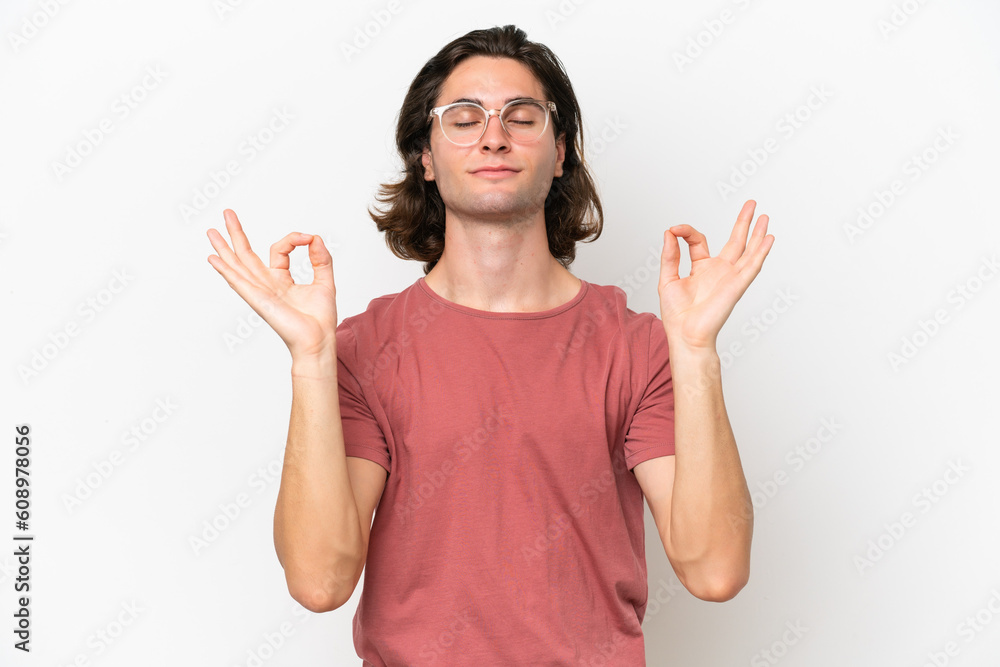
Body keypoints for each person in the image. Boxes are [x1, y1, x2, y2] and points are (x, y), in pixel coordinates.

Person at [206, 23, 774, 666]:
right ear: (425, 155)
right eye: (464, 117)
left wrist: (695, 351)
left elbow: (715, 570)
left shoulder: (637, 347)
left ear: (561, 151)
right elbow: (319, 581)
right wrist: (312, 358)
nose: (494, 136)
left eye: (523, 116)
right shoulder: (364, 350)